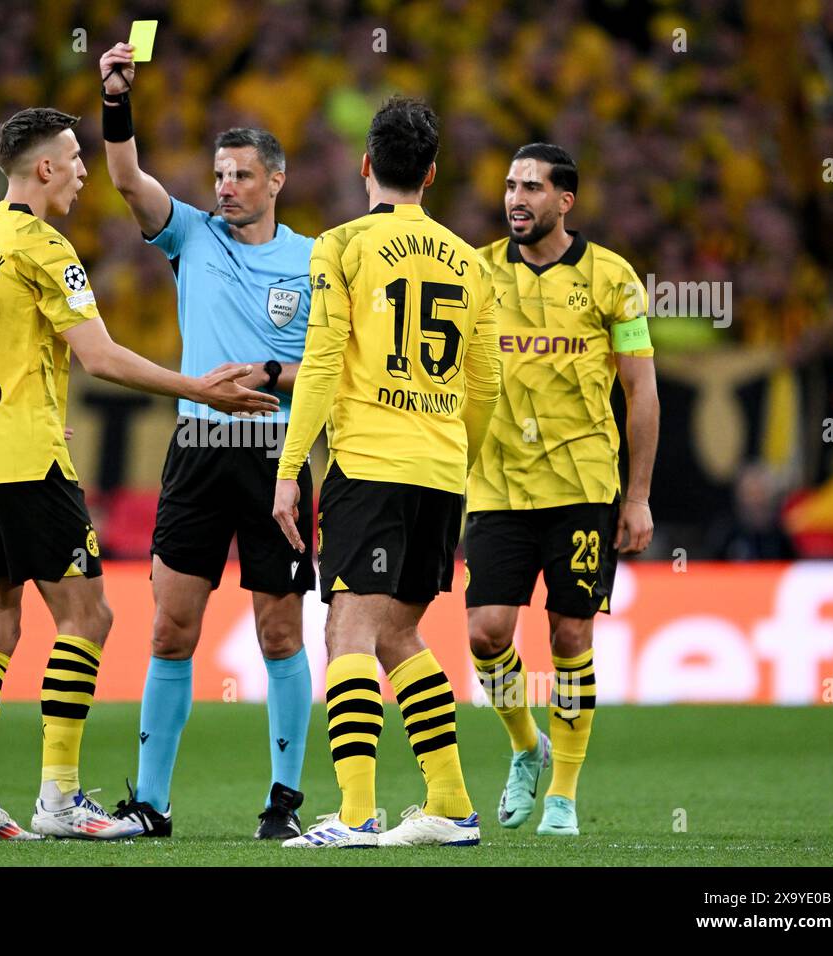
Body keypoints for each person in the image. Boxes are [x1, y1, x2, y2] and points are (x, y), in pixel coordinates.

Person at [0, 107, 278, 842]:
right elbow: (100, 356)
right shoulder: (41, 245)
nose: (85, 170)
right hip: (26, 463)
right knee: (87, 619)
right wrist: (198, 388)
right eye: (73, 157)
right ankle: (59, 800)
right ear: (45, 169)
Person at [98, 41, 317, 839]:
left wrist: (268, 372)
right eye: (220, 174)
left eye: (241, 175)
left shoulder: (314, 261)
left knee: (280, 630)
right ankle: (150, 804)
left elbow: (328, 368)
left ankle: (284, 805)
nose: (225, 188)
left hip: (276, 457)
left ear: (276, 180)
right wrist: (118, 98)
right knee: (170, 628)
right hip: (196, 449)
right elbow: (125, 177)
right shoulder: (190, 234)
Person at [272, 97, 500, 848]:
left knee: (349, 631)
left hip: (369, 465)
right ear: (431, 173)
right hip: (439, 471)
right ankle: (452, 805)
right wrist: (453, 455)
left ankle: (360, 813)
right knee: (399, 632)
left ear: (367, 164)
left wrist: (288, 469)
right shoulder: (471, 262)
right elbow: (487, 383)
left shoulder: (339, 247)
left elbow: (323, 360)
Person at [466, 143, 659, 837]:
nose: (515, 199)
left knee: (571, 634)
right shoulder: (478, 271)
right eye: (510, 186)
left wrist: (636, 497)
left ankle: (565, 796)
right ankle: (526, 746)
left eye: (531, 188)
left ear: (564, 201)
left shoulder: (613, 278)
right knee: (486, 633)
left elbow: (640, 390)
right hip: (495, 485)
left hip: (583, 484)